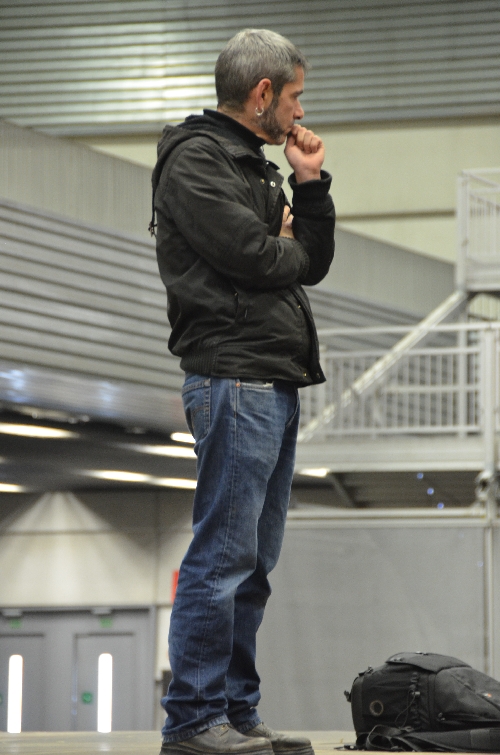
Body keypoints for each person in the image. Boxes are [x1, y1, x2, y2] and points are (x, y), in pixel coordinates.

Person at [151, 28, 335, 755]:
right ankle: (194, 721)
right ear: (263, 93)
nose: (299, 112)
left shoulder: (255, 166)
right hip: (232, 375)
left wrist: (308, 184)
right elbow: (256, 257)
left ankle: (234, 709)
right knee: (222, 557)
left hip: (272, 376)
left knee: (253, 563)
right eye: (294, 97)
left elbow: (309, 262)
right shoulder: (196, 161)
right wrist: (279, 239)